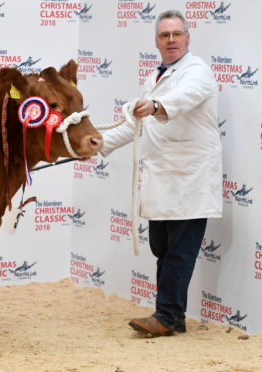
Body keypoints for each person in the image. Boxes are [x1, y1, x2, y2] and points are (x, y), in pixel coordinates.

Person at [101, 10, 222, 337]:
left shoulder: (198, 71)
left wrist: (155, 106)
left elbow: (182, 99)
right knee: (162, 250)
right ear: (156, 41)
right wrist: (97, 144)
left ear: (187, 38)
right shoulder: (154, 77)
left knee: (178, 254)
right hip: (162, 181)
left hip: (189, 180)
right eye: (165, 35)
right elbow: (136, 125)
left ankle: (166, 316)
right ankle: (175, 317)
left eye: (176, 34)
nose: (171, 40)